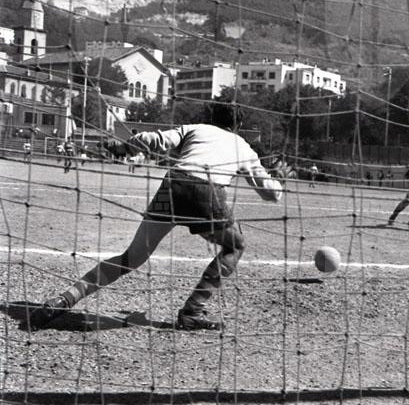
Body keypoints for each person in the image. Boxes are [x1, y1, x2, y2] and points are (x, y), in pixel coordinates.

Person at [29, 102, 285, 332]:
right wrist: (280, 182)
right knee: (235, 245)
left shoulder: (195, 129)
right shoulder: (242, 146)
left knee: (130, 258)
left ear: (211, 117)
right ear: (238, 125)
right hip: (207, 194)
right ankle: (192, 311)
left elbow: (155, 140)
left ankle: (64, 300)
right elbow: (270, 193)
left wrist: (125, 146)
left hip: (172, 187)